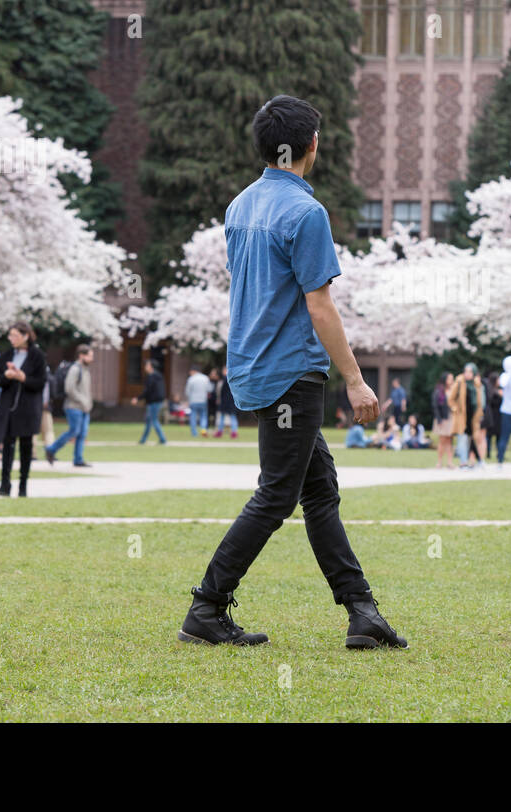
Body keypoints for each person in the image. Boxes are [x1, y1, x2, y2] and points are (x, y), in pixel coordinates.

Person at [177, 94, 404, 649]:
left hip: (252, 368)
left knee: (319, 489)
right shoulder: (306, 213)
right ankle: (206, 607)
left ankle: (362, 612)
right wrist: (354, 378)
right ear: (312, 146)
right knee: (277, 496)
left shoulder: (239, 206)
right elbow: (319, 305)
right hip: (290, 376)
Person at [0, 322, 47, 498]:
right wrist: (7, 376)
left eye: (15, 335)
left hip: (28, 408)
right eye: (10, 335)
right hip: (8, 407)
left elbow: (41, 382)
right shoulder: (6, 355)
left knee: (25, 446)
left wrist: (23, 378)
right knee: (7, 445)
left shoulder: (37, 356)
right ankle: (4, 484)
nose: (11, 339)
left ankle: (23, 485)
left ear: (26, 336)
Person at [45, 344, 95, 467]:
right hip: (74, 407)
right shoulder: (75, 369)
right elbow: (69, 388)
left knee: (82, 434)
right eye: (89, 356)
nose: (91, 359)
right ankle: (51, 449)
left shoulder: (85, 369)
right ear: (81, 355)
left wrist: (88, 402)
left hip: (84, 408)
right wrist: (83, 400)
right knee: (74, 431)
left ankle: (78, 459)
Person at [449, 362, 483, 469]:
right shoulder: (459, 382)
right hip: (461, 416)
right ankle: (463, 462)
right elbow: (451, 399)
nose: (467, 374)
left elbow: (480, 401)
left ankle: (470, 461)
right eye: (466, 371)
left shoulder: (477, 384)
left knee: (470, 440)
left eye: (470, 372)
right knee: (462, 439)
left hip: (472, 417)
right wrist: (455, 409)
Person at [132, 359, 167, 445]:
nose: (145, 367)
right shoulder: (157, 376)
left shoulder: (152, 377)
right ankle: (143, 440)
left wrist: (138, 398)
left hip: (154, 402)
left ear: (151, 366)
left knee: (154, 420)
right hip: (155, 401)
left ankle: (162, 439)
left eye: (147, 365)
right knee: (149, 420)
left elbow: (147, 390)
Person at [432, 372, 454, 468]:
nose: (451, 381)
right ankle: (439, 462)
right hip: (442, 419)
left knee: (450, 440)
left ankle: (449, 462)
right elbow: (435, 406)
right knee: (442, 440)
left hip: (451, 418)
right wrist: (439, 419)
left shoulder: (453, 390)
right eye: (450, 379)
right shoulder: (439, 391)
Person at [185, 365, 211, 437]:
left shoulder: (191, 379)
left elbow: (187, 391)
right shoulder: (205, 378)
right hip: (203, 400)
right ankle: (203, 430)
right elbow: (209, 389)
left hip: (193, 401)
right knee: (203, 416)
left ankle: (194, 433)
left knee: (193, 416)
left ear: (193, 371)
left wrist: (188, 400)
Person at [215, 365, 240, 439]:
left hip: (225, 402)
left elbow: (221, 392)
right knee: (232, 417)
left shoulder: (224, 379)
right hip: (232, 401)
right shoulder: (233, 379)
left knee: (223, 417)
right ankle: (233, 432)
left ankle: (220, 432)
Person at [206, 368, 221, 437]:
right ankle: (206, 429)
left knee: (215, 416)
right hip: (209, 401)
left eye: (214, 373)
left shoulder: (219, 382)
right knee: (208, 415)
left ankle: (216, 429)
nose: (212, 375)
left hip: (216, 402)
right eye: (212, 373)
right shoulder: (208, 381)